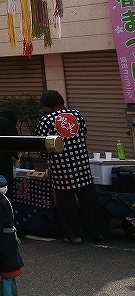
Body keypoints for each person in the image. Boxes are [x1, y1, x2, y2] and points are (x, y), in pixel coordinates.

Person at [36, 90, 107, 243]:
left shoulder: (47, 120)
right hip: (82, 165)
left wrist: (46, 159)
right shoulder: (77, 114)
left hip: (62, 168)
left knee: (67, 203)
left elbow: (43, 144)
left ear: (47, 106)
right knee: (89, 200)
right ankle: (97, 232)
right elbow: (84, 135)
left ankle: (74, 235)